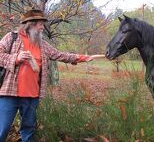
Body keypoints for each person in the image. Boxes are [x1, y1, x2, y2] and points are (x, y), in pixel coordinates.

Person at [0, 9, 95, 142]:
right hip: (10, 93)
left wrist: (82, 58)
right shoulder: (12, 37)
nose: (42, 27)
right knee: (2, 128)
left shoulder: (42, 44)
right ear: (30, 24)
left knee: (28, 129)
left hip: (32, 95)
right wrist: (16, 58)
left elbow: (61, 55)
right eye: (40, 24)